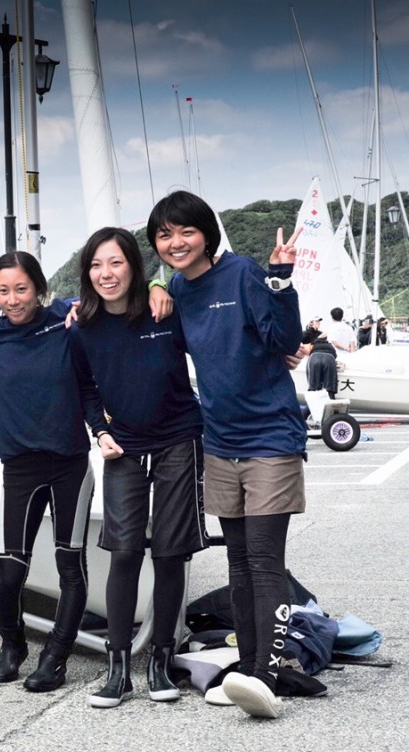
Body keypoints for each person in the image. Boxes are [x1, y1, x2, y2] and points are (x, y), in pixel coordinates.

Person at [148, 190, 305, 719]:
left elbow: (283, 337)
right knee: (238, 561)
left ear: (206, 234)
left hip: (270, 437)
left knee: (263, 560)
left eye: (186, 231)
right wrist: (152, 284)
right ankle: (248, 666)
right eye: (165, 235)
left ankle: (266, 675)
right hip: (220, 441)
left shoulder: (241, 273)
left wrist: (280, 279)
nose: (176, 242)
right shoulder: (176, 287)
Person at [67, 228, 207, 708]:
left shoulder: (163, 310)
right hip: (122, 446)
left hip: (178, 440)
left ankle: (160, 661)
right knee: (123, 552)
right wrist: (99, 432)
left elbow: (210, 346)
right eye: (96, 265)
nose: (106, 274)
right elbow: (86, 388)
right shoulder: (82, 326)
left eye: (116, 263)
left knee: (169, 552)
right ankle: (118, 667)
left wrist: (160, 286)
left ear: (134, 266)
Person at [0, 251, 109, 694]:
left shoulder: (66, 321)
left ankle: (55, 657)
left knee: (69, 564)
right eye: (3, 291)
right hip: (18, 469)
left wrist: (155, 287)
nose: (13, 299)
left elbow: (112, 302)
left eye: (22, 289)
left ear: (39, 288)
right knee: (10, 573)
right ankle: (12, 645)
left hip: (69, 465)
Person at [301, 317, 338, 399]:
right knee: (329, 386)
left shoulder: (320, 333)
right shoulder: (305, 333)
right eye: (316, 321)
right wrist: (310, 330)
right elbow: (302, 340)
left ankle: (314, 401)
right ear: (311, 323)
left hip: (313, 357)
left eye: (319, 322)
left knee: (314, 386)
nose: (318, 323)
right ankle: (329, 399)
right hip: (311, 356)